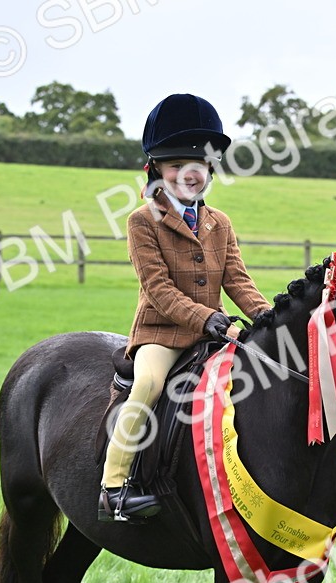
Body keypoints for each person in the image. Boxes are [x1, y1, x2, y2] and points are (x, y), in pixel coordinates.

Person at [99, 93, 271, 522]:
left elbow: (237, 280)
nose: (187, 175)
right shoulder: (142, 222)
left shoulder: (220, 222)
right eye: (176, 166)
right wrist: (210, 320)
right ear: (157, 169)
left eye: (196, 166)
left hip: (213, 333)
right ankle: (114, 487)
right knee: (149, 386)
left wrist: (268, 317)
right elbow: (157, 289)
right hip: (162, 333)